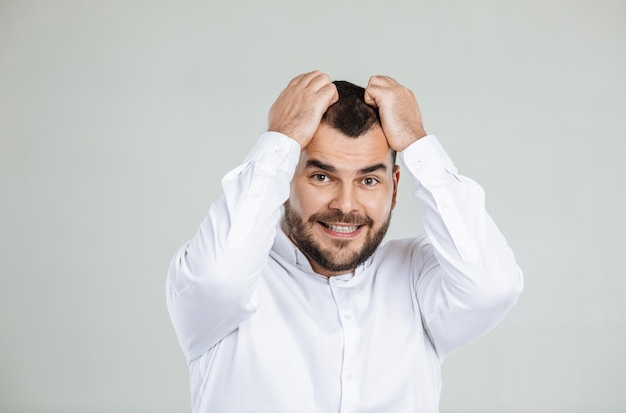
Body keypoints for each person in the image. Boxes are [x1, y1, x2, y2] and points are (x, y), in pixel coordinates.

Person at [166, 71, 523, 413]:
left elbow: (493, 286)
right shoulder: (222, 283)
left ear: (394, 188)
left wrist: (417, 141)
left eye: (368, 181)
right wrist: (281, 137)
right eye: (322, 176)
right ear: (284, 180)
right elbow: (220, 279)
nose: (346, 205)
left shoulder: (418, 278)